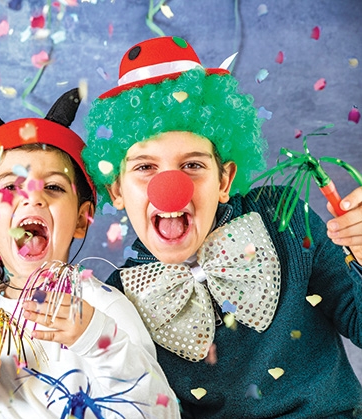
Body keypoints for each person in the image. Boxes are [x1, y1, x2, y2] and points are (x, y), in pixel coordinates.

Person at [81, 36, 362, 418]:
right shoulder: (119, 301)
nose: (170, 190)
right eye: (145, 168)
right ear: (116, 188)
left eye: (193, 165)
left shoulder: (285, 219)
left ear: (225, 179)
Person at [0, 88, 180, 418]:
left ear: (82, 219)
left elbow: (161, 413)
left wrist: (95, 336)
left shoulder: (104, 307)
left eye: (52, 187)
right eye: (11, 187)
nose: (32, 199)